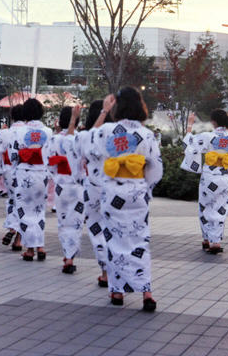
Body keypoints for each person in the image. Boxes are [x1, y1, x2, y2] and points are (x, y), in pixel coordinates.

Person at [92, 87, 162, 310]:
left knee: (114, 240)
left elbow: (88, 145)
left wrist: (103, 112)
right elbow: (155, 168)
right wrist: (145, 188)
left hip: (113, 192)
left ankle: (118, 292)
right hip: (137, 192)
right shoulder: (147, 134)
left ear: (117, 106)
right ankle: (146, 293)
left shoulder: (107, 131)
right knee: (140, 240)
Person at [181, 109, 228, 254]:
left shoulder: (207, 136)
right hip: (224, 177)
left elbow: (190, 144)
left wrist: (190, 124)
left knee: (205, 206)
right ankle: (215, 240)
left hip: (209, 177)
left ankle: (207, 239)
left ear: (213, 122)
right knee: (220, 207)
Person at [72, 100, 112, 286]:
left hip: (93, 187)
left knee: (96, 228)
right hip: (118, 186)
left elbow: (76, 157)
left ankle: (105, 271)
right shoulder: (119, 133)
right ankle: (118, 272)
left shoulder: (86, 136)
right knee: (117, 230)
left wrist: (74, 118)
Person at [8, 99, 53, 261]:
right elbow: (52, 154)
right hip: (42, 173)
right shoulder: (48, 132)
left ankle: (30, 249)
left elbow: (13, 155)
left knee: (25, 210)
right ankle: (40, 246)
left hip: (24, 172)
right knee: (39, 211)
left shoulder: (19, 132)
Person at [45, 106, 85, 274]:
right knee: (76, 222)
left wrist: (56, 177)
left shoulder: (54, 140)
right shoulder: (82, 138)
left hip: (62, 185)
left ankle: (67, 255)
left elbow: (49, 164)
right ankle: (70, 256)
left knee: (63, 222)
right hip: (80, 186)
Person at [0, 105, 25, 251]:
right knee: (24, 203)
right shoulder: (28, 132)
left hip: (9, 169)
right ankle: (18, 238)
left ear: (12, 116)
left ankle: (12, 227)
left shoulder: (5, 133)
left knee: (12, 199)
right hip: (27, 170)